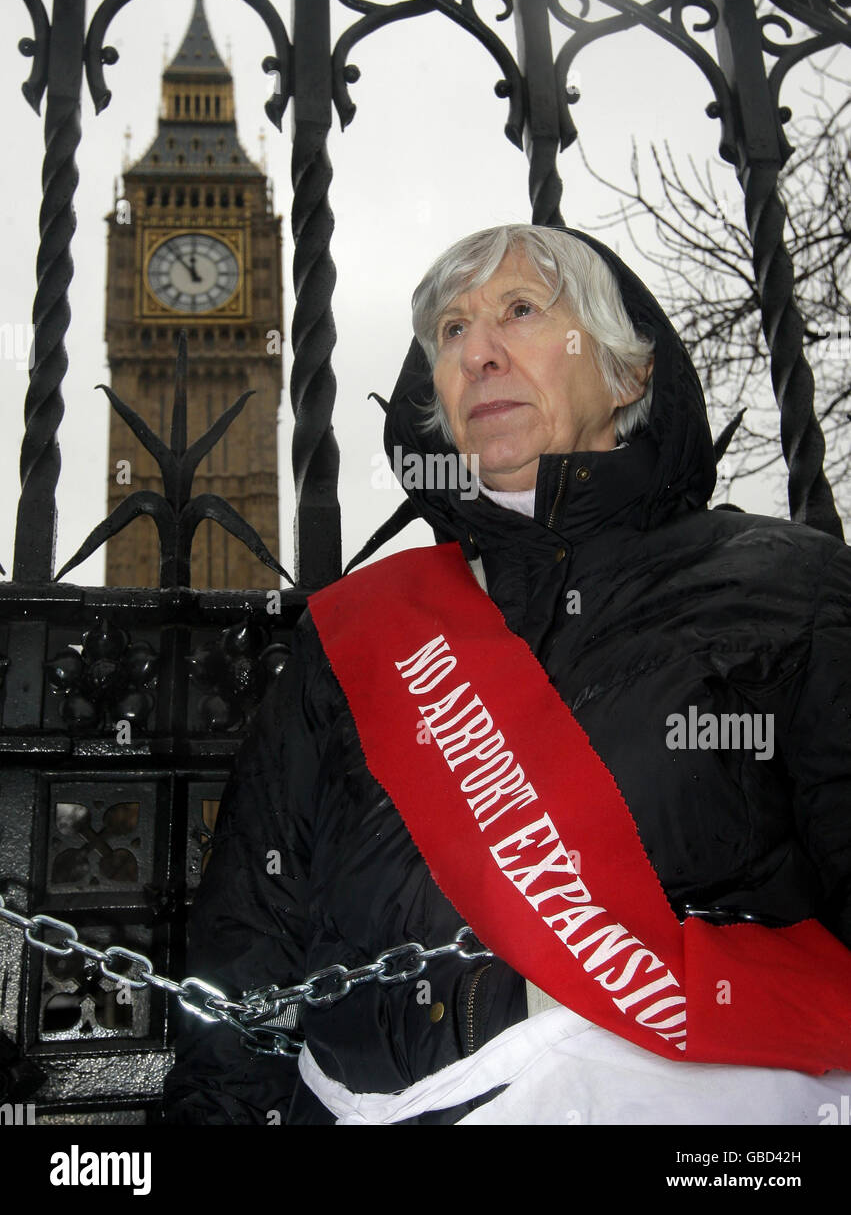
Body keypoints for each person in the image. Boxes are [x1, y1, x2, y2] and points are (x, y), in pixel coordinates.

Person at [163, 224, 851, 1125]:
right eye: (450, 332)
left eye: (519, 313)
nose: (477, 353)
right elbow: (249, 940)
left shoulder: (788, 587)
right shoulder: (360, 630)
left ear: (627, 372)